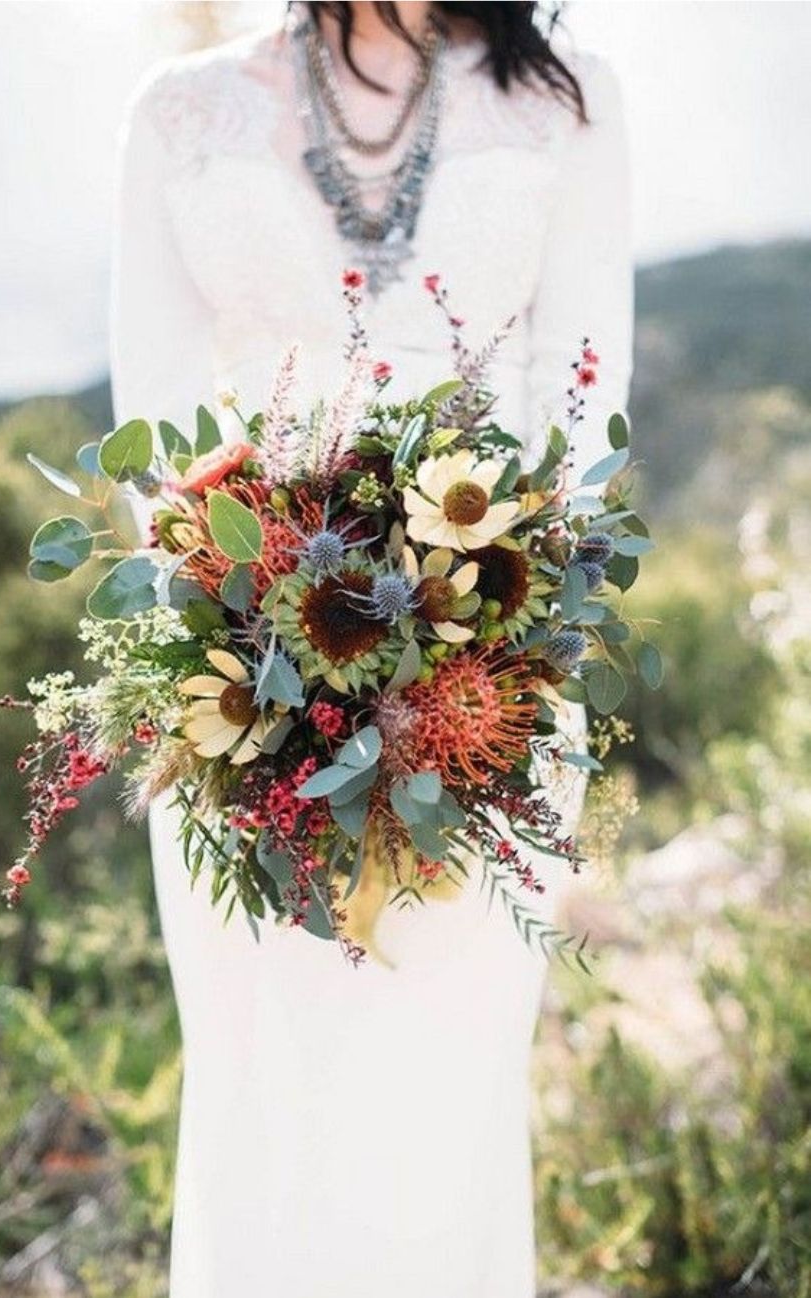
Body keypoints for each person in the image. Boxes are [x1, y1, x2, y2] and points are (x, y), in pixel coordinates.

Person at [110, 3, 633, 1294]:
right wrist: (255, 649)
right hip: (242, 687)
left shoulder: (564, 98)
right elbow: (157, 435)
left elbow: (586, 406)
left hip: (491, 682)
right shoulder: (178, 112)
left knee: (438, 1100)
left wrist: (483, 651)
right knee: (269, 1092)